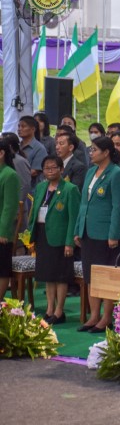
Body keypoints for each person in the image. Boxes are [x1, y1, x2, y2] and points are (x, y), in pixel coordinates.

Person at [75, 136, 120, 333]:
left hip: (106, 234)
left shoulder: (117, 174)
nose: (91, 153)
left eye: (94, 150)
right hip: (88, 231)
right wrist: (78, 229)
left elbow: (118, 207)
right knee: (90, 276)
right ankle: (93, 316)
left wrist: (114, 234)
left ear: (106, 152)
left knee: (106, 277)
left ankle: (106, 317)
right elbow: (84, 204)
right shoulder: (91, 172)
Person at [27, 156, 80, 324]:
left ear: (61, 169)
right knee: (48, 275)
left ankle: (59, 311)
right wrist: (31, 235)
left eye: (53, 167)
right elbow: (35, 211)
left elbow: (74, 218)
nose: (49, 171)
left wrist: (69, 242)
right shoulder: (41, 187)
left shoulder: (70, 189)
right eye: (46, 168)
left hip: (61, 238)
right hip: (42, 235)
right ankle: (49, 309)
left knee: (60, 276)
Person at [0, 138, 20, 301]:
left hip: (1, 232)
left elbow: (10, 207)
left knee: (1, 269)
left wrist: (3, 232)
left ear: (1, 153)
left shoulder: (9, 175)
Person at [18, 115, 47, 186]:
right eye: (18, 126)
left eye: (23, 126)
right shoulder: (17, 146)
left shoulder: (39, 148)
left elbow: (34, 172)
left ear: (33, 129)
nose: (19, 129)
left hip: (31, 188)